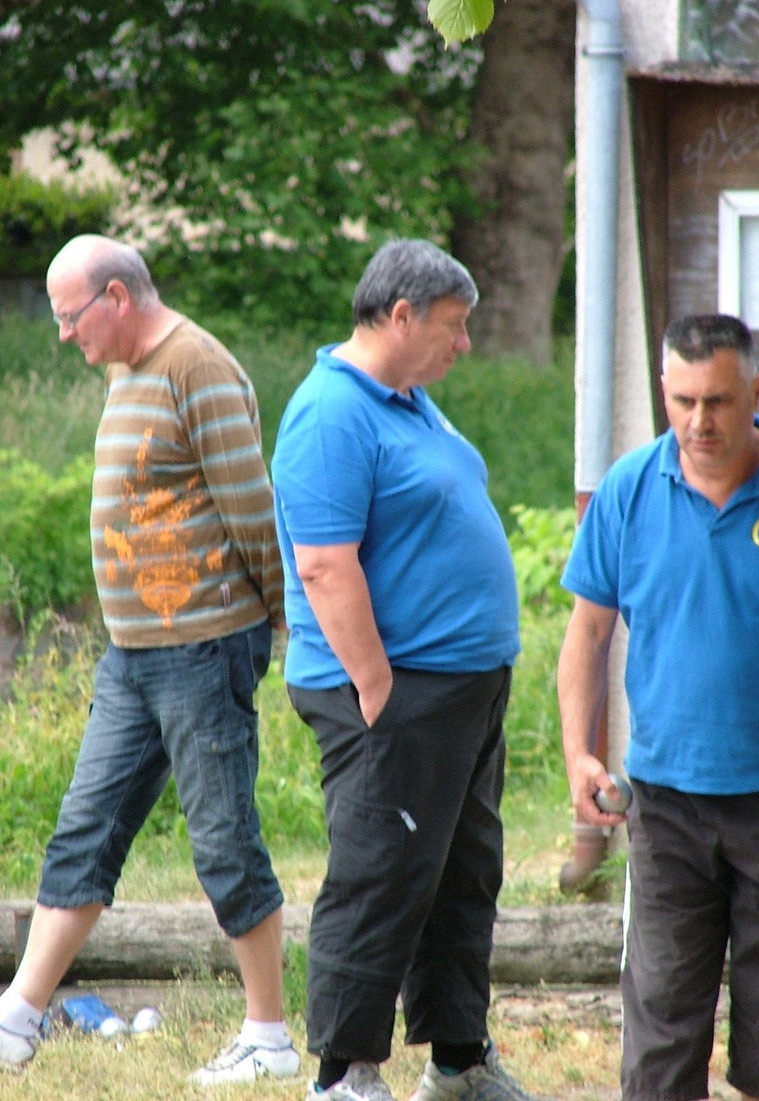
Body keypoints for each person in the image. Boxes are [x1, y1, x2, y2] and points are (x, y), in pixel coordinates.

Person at [0, 235, 300, 1087]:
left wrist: (282, 628)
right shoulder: (125, 370)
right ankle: (19, 1018)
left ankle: (268, 1036)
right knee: (83, 830)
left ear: (118, 298)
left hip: (203, 651)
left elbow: (252, 509)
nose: (64, 335)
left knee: (223, 844)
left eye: (70, 316)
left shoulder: (197, 367)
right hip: (132, 657)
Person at [557, 314, 759, 1101]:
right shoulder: (629, 488)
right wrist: (579, 756)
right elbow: (586, 635)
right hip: (664, 800)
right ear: (664, 391)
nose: (699, 421)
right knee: (660, 1026)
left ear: (756, 392)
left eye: (719, 401)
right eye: (683, 399)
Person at [271, 239, 534, 1101]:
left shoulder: (409, 402)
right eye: (454, 327)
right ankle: (343, 1072)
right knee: (382, 874)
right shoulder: (331, 412)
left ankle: (459, 1059)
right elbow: (322, 564)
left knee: (462, 874)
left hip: (462, 687)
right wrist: (377, 685)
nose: (464, 345)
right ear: (400, 316)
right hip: (393, 690)